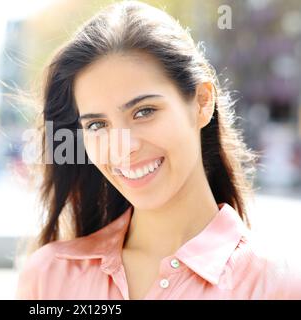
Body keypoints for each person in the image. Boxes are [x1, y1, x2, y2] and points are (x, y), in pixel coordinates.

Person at [15, 1, 301, 299]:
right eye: (98, 125)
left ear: (202, 102)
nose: (122, 149)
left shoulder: (274, 284)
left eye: (144, 112)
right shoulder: (50, 277)